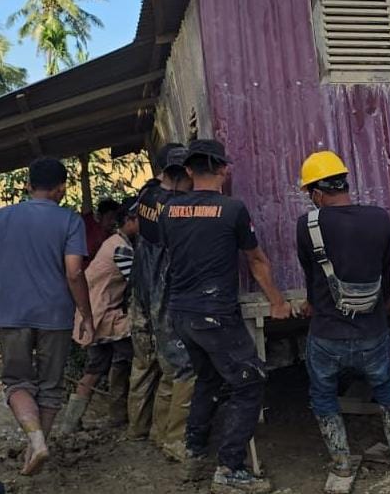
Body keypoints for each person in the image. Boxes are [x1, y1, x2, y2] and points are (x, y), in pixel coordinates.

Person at [160, 139, 292, 493]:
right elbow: (256, 260)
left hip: (181, 313)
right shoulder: (232, 209)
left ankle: (194, 454)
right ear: (224, 169)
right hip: (214, 312)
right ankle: (230, 468)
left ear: (188, 170)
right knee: (249, 383)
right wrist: (278, 302)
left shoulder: (169, 210)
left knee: (207, 380)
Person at [296, 150, 390, 483]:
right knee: (386, 385)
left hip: (327, 332)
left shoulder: (308, 225)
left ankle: (342, 463)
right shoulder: (379, 217)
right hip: (372, 329)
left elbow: (310, 273)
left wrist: (313, 303)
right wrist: (385, 300)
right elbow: (384, 271)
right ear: (344, 182)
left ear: (317, 192)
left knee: (322, 393)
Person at [0, 157, 94, 476]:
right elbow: (74, 271)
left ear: (27, 185)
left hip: (10, 313)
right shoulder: (70, 221)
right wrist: (86, 314)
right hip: (56, 314)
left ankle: (36, 440)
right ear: (62, 187)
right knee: (51, 386)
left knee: (17, 382)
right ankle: (36, 449)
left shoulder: (3, 217)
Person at [127, 142, 189, 446]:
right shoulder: (176, 208)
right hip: (161, 294)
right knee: (176, 366)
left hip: (139, 290)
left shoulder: (146, 194)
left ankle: (138, 427)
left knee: (142, 364)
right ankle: (168, 436)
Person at [60, 198, 139, 433]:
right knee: (130, 359)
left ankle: (70, 424)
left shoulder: (113, 242)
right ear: (129, 221)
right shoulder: (121, 248)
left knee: (96, 368)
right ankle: (122, 414)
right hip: (102, 315)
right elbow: (136, 282)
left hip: (96, 313)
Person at [82, 196, 120, 264]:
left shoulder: (112, 237)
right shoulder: (87, 225)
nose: (113, 221)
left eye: (116, 218)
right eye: (110, 217)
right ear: (99, 216)